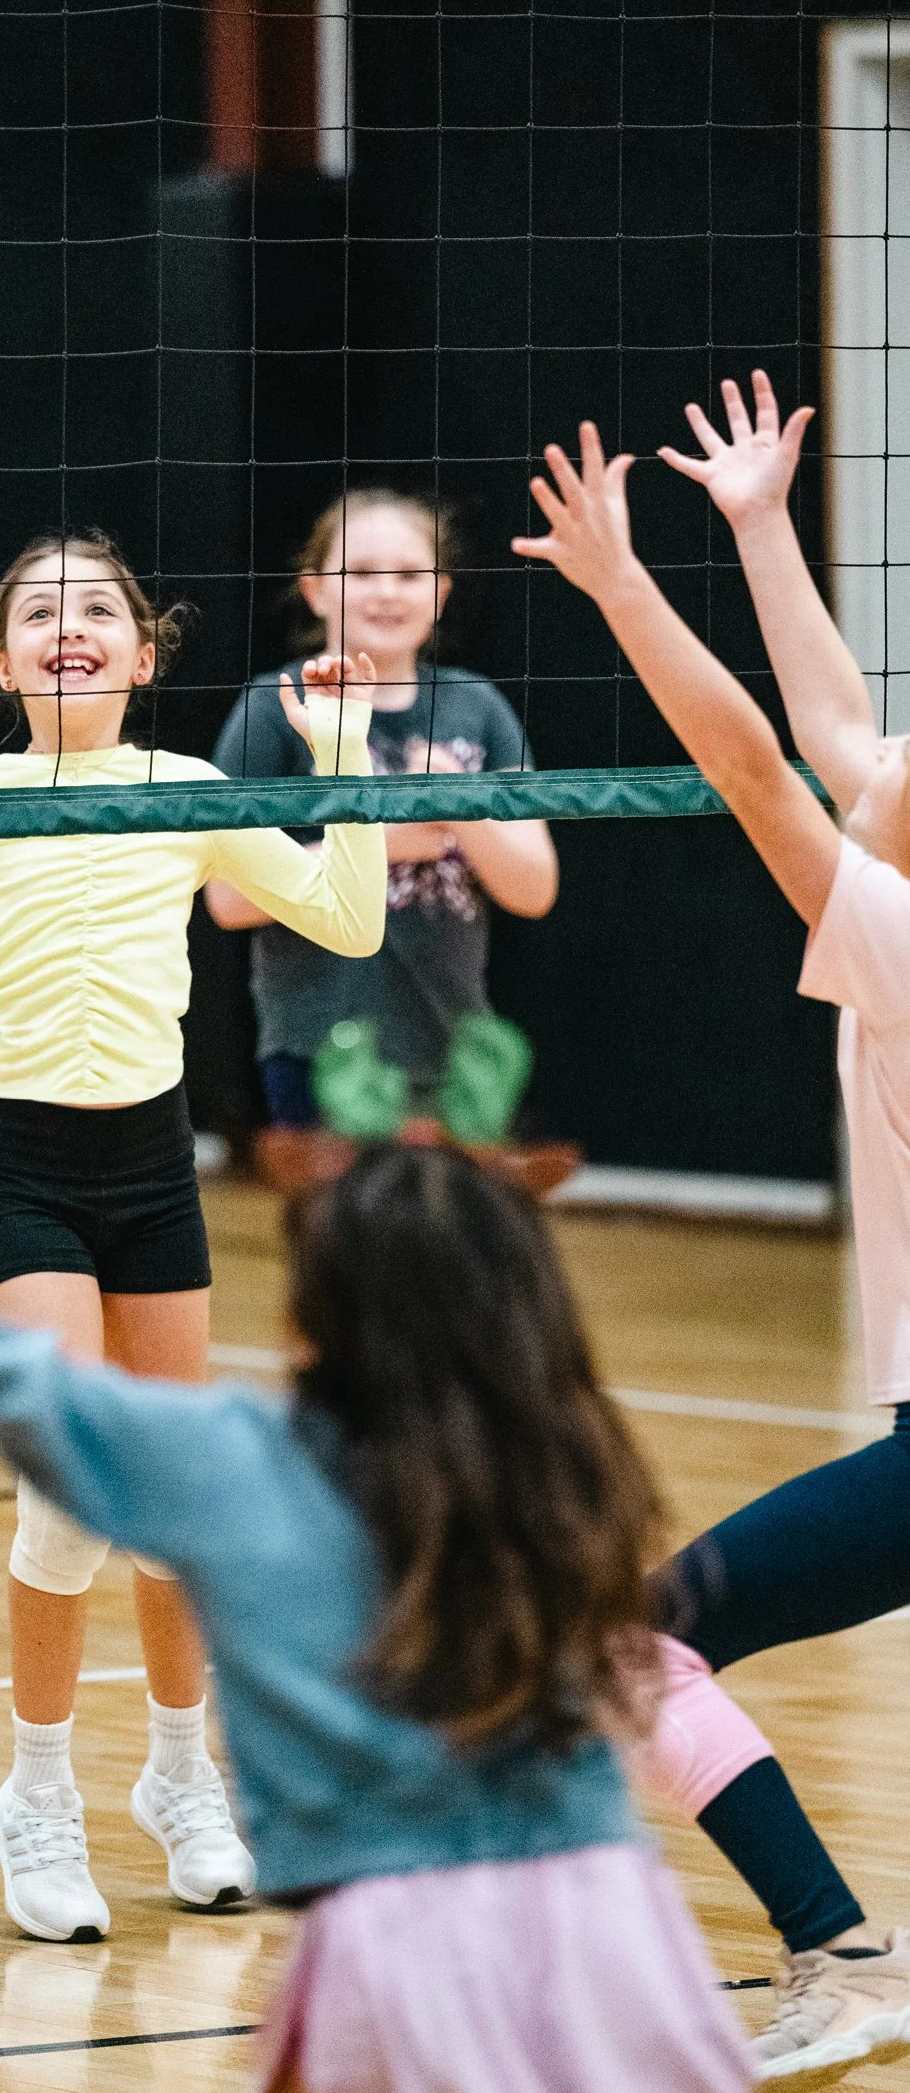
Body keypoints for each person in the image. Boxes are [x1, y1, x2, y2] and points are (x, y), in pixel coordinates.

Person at [0, 1017, 751, 2093]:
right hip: (616, 1924)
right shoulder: (568, 1470)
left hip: (398, 1957)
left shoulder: (239, 1463)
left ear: (314, 1316)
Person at [0, 531, 389, 1942]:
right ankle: (33, 1798)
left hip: (150, 1167)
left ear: (143, 651)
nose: (67, 627)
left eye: (95, 608)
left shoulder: (188, 791)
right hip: (27, 1170)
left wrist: (339, 747)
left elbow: (346, 915)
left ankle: (181, 1781)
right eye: (36, 612)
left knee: (172, 1500)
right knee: (64, 1496)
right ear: (0, 662)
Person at [514, 372, 910, 2080]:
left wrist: (623, 586)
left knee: (635, 1632)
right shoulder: (894, 875)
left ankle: (839, 1949)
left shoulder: (895, 937)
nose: (878, 757)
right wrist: (756, 524)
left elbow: (761, 763)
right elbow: (831, 737)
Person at [207, 489, 557, 1129]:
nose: (387, 592)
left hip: (455, 1048)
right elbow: (227, 898)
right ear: (314, 590)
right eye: (362, 572)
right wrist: (383, 837)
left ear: (441, 592)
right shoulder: (277, 706)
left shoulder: (478, 707)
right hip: (318, 1044)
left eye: (408, 574)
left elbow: (535, 889)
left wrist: (465, 812)